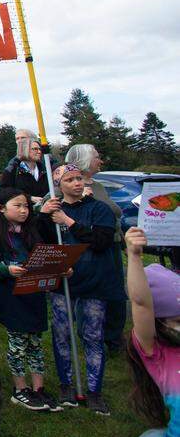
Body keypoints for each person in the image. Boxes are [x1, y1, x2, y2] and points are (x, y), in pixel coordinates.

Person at [43, 164, 124, 414]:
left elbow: (100, 242)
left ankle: (94, 390)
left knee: (92, 335)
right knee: (62, 334)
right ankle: (67, 384)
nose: (77, 183)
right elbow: (43, 242)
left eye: (79, 178)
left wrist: (67, 221)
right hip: (63, 283)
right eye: (70, 180)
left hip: (94, 282)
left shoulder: (99, 209)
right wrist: (43, 216)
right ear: (59, 185)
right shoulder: (53, 211)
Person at [0, 187, 60, 411]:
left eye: (26, 206)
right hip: (11, 296)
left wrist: (58, 268)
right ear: (1, 208)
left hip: (33, 294)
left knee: (35, 342)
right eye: (18, 206)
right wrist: (6, 270)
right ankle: (20, 388)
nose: (24, 211)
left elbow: (42, 256)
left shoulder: (30, 231)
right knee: (17, 344)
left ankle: (38, 388)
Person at [121, 226, 180, 437]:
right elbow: (140, 303)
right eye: (177, 320)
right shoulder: (157, 353)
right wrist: (134, 256)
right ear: (159, 323)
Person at [66, 143, 127, 355]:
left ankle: (113, 336)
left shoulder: (98, 186)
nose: (100, 161)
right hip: (90, 246)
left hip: (112, 242)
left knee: (116, 290)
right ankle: (92, 335)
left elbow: (114, 215)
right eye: (96, 157)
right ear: (84, 161)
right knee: (91, 293)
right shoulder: (69, 187)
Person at [0, 133, 50, 202]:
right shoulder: (13, 170)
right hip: (23, 210)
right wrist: (29, 198)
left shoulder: (45, 169)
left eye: (40, 149)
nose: (39, 152)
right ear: (25, 150)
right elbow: (3, 192)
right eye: (35, 149)